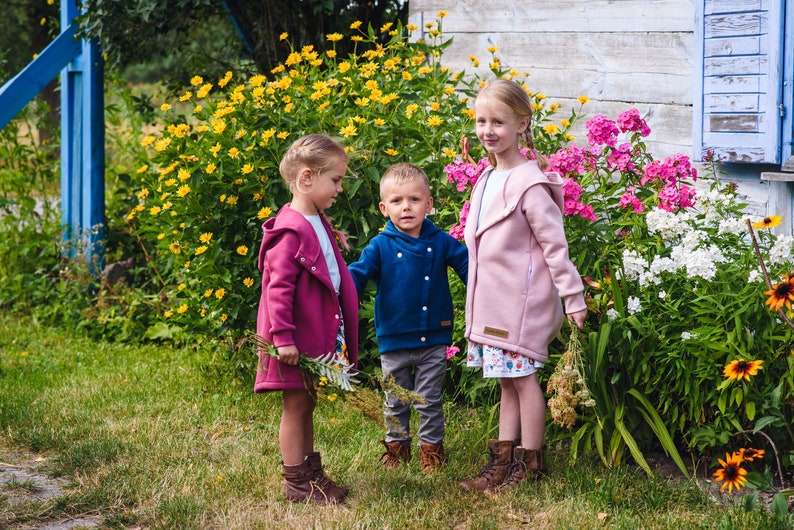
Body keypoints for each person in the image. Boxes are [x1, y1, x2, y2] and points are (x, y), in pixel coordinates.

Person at [460, 79, 587, 493]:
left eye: (498, 121)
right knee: (505, 380)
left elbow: (555, 247)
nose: (488, 130)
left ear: (522, 124)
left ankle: (530, 462)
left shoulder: (529, 185)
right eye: (481, 121)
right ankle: (502, 459)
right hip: (493, 302)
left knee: (523, 379)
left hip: (521, 302)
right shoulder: (486, 180)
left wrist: (573, 297)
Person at [254, 133, 359, 504]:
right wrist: (282, 338)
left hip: (312, 335)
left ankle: (311, 474)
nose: (340, 188)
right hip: (292, 339)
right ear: (307, 178)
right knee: (295, 405)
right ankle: (297, 481)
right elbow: (277, 289)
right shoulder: (290, 229)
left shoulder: (315, 220)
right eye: (336, 180)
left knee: (307, 401)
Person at [348, 162, 468, 473]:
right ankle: (396, 450)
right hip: (394, 339)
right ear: (383, 207)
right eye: (397, 201)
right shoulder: (380, 246)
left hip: (433, 337)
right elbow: (356, 277)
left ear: (428, 203)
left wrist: (486, 290)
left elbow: (469, 267)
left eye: (415, 200)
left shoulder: (440, 241)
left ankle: (432, 452)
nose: (406, 207)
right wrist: (335, 292)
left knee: (428, 399)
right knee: (395, 400)